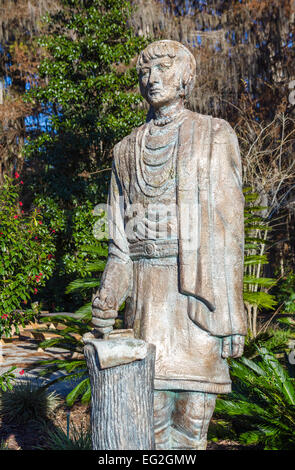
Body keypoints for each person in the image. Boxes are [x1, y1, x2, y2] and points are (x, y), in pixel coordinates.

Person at [92, 40, 247, 450]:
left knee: (194, 418)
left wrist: (232, 318)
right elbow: (119, 242)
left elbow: (230, 231)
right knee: (152, 416)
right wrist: (109, 295)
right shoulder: (125, 150)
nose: (151, 78)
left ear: (186, 79)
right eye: (144, 72)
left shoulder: (215, 134)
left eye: (163, 68)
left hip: (199, 296)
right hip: (149, 295)